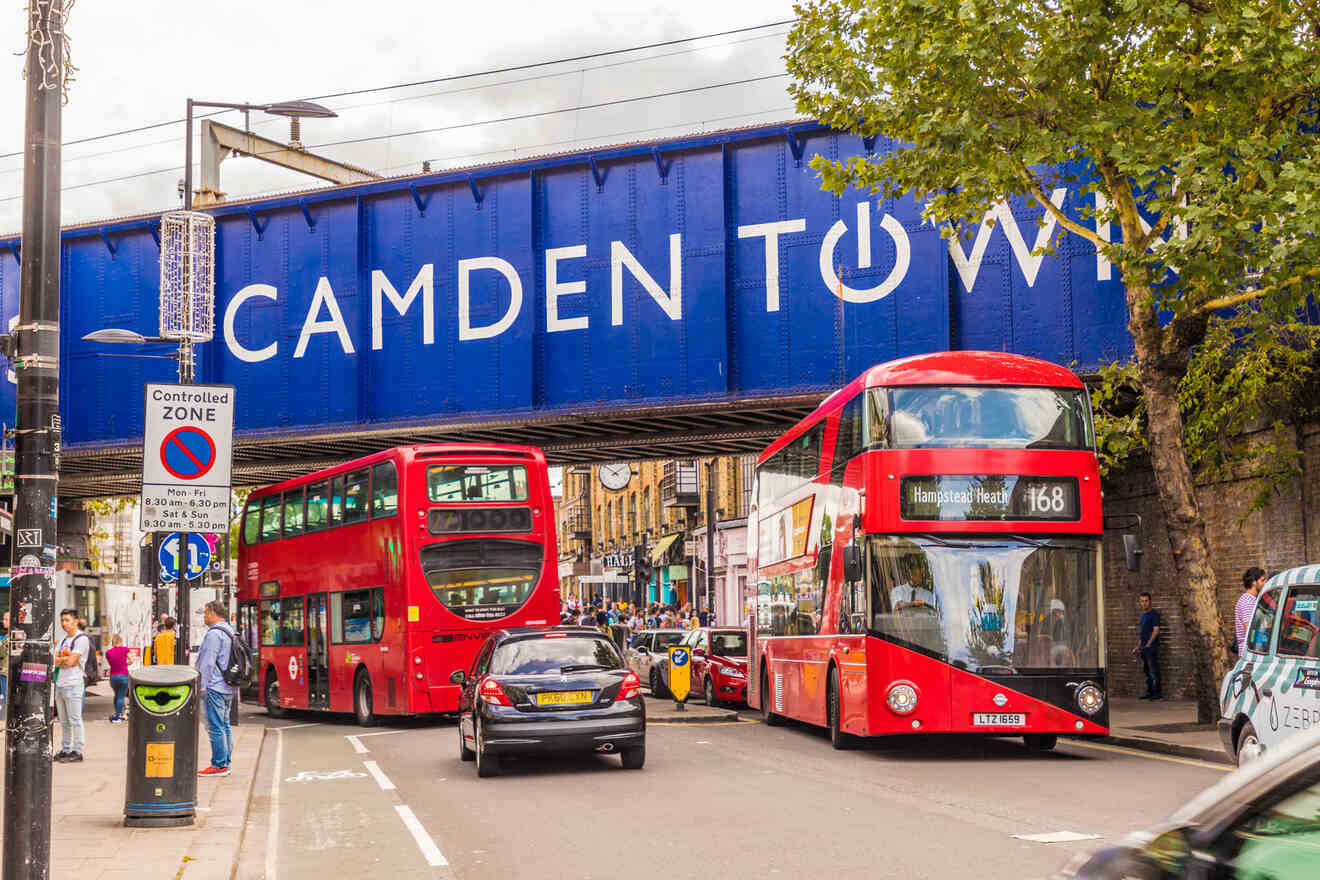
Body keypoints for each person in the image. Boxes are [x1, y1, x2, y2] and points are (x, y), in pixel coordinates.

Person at [196, 600, 236, 777]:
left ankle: (218, 765)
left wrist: (202, 685)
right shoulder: (230, 630)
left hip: (215, 686)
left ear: (212, 612)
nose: (204, 617)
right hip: (228, 686)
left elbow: (207, 662)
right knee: (225, 725)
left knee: (215, 726)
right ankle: (225, 762)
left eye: (205, 613)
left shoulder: (214, 634)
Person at [54, 608, 90, 762]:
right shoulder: (62, 640)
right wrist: (62, 661)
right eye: (62, 620)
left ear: (75, 621)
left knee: (75, 720)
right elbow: (54, 661)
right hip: (60, 684)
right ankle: (66, 749)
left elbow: (71, 662)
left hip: (74, 684)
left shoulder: (81, 639)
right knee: (64, 721)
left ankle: (78, 751)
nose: (64, 624)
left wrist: (61, 660)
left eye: (67, 620)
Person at [1131, 592, 1162, 700]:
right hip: (1144, 648)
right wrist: (1138, 646)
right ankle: (1150, 692)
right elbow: (1142, 634)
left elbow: (1156, 630)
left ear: (1150, 601)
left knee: (1154, 671)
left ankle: (1158, 694)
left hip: (1151, 647)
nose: (1144, 603)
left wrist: (1149, 644)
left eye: (1146, 601)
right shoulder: (1143, 616)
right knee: (1147, 671)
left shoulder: (1154, 614)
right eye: (1142, 601)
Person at [1236, 567, 1266, 655]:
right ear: (1254, 582)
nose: (1265, 583)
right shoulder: (1247, 601)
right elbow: (1248, 629)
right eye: (1262, 580)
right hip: (1250, 653)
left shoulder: (1252, 599)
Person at [105, 634, 131, 723]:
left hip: (113, 677)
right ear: (121, 641)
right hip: (123, 675)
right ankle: (117, 717)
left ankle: (117, 714)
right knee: (121, 696)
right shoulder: (124, 650)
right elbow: (131, 660)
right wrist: (126, 664)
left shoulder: (108, 652)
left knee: (116, 695)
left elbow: (111, 664)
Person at [0, 611, 10, 712]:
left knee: (8, 699)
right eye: (4, 619)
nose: (4, 621)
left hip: (7, 672)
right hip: (4, 672)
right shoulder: (5, 638)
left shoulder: (10, 638)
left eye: (6, 619)